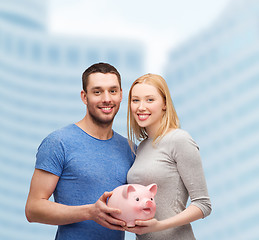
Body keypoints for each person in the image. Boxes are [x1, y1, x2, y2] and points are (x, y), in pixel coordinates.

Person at [25, 62, 135, 240]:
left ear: (121, 95)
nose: (106, 99)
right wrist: (90, 212)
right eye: (97, 92)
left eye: (113, 91)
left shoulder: (130, 150)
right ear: (84, 97)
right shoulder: (59, 142)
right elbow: (33, 209)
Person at [125, 73, 212, 239]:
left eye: (150, 100)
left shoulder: (179, 140)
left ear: (164, 104)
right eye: (136, 100)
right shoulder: (141, 148)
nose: (141, 107)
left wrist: (159, 226)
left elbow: (203, 204)